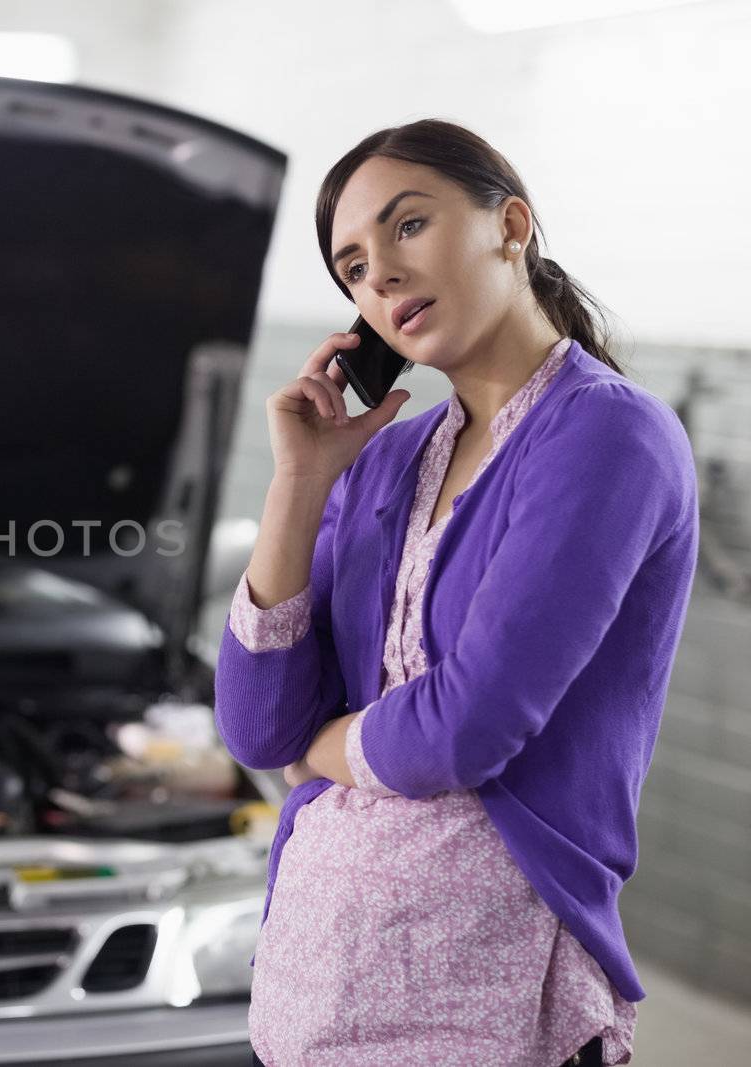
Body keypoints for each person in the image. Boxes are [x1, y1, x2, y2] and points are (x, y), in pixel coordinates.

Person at [214, 119, 698, 1067]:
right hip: (315, 997)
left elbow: (465, 727)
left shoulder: (607, 437)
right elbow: (259, 727)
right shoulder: (389, 455)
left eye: (407, 226)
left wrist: (329, 745)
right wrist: (300, 487)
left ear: (510, 224)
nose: (380, 277)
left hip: (486, 1005)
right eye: (351, 266)